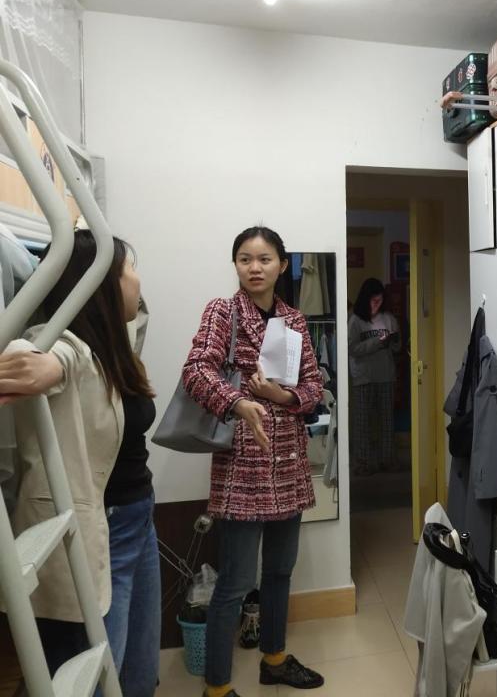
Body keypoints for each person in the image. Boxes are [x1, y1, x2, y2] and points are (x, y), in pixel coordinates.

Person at [0, 230, 160, 695]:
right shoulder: (65, 346)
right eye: (129, 269)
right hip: (102, 529)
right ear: (99, 284)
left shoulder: (114, 346)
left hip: (139, 520)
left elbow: (134, 319)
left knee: (138, 672)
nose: (138, 280)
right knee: (95, 677)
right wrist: (42, 362)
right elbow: (47, 350)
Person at [183, 226, 324, 697]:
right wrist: (239, 402)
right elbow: (196, 371)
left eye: (264, 259)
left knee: (280, 571)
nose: (255, 267)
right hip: (241, 466)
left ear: (282, 265)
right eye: (245, 259)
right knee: (236, 582)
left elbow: (313, 388)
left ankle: (275, 659)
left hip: (289, 463)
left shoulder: (294, 320)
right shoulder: (223, 312)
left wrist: (280, 396)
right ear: (236, 265)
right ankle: (217, 687)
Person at [347, 277, 400, 476]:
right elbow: (352, 349)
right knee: (362, 422)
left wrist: (393, 342)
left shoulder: (389, 319)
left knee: (387, 421)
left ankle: (387, 460)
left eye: (380, 300)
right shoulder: (355, 320)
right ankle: (362, 462)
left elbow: (397, 348)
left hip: (386, 375)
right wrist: (377, 342)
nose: (377, 304)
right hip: (363, 377)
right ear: (365, 299)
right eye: (373, 301)